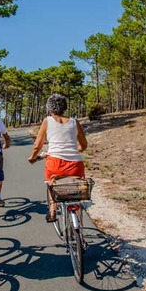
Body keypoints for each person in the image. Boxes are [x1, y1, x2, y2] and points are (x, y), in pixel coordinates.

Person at [27, 94, 87, 222]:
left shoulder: (47, 121)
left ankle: (52, 210)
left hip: (55, 162)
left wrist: (32, 157)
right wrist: (76, 150)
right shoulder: (74, 122)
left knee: (51, 184)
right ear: (65, 108)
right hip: (76, 164)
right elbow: (83, 145)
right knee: (76, 187)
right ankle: (77, 213)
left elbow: (38, 145)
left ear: (49, 109)